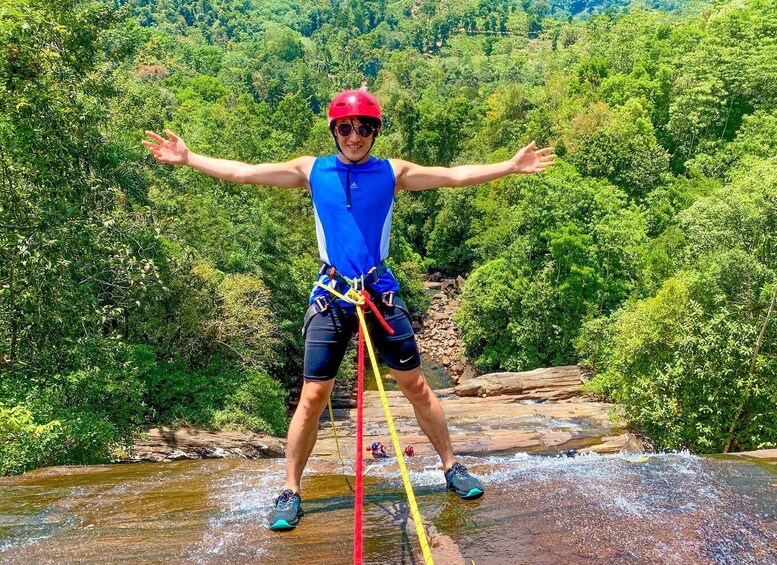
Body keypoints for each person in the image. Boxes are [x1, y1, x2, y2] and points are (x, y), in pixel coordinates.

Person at [143, 89, 556, 531]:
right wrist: (190, 159)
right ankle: (291, 490)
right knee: (313, 396)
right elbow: (244, 173)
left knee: (415, 384)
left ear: (375, 132)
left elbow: (454, 176)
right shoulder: (312, 169)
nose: (354, 136)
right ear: (334, 131)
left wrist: (509, 167)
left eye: (364, 127)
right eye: (346, 127)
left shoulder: (392, 172)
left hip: (379, 291)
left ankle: (452, 466)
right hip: (333, 293)